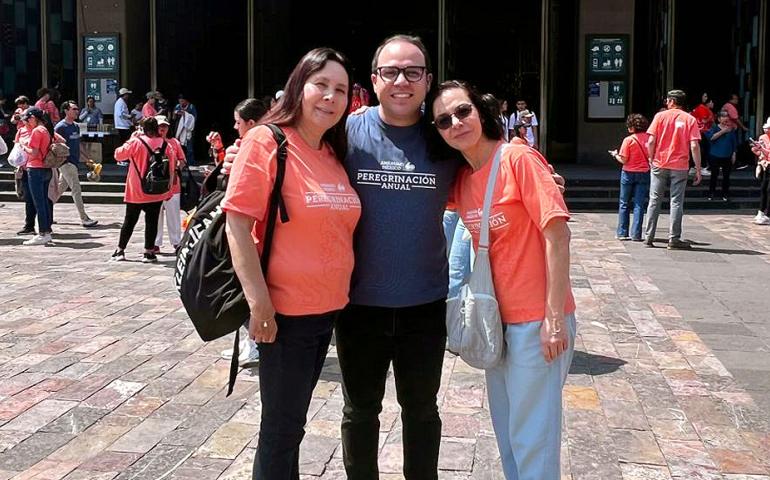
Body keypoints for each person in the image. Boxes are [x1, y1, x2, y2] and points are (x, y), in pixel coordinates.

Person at [222, 47, 361, 480]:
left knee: (291, 427)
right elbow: (237, 225)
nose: (330, 97)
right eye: (321, 85)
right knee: (281, 430)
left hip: (328, 311)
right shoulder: (268, 141)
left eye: (340, 89)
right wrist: (259, 305)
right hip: (285, 316)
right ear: (299, 87)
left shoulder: (333, 152)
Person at [431, 79, 576, 480]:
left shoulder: (517, 158)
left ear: (482, 111)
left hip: (536, 320)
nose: (456, 122)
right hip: (495, 322)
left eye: (463, 111)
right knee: (509, 431)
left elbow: (557, 234)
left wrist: (554, 317)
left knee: (533, 436)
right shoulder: (462, 180)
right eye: (444, 120)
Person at [218, 97, 270, 366]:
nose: (235, 127)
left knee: (247, 291)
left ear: (251, 123)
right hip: (245, 235)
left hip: (255, 239)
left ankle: (254, 342)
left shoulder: (270, 149)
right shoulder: (243, 149)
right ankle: (251, 342)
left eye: (238, 123)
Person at [110, 116, 179, 263]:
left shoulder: (136, 142)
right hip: (158, 189)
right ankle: (149, 252)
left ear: (142, 129)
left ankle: (120, 250)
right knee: (152, 221)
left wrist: (131, 138)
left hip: (137, 190)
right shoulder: (166, 144)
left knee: (129, 220)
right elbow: (172, 168)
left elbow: (118, 155)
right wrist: (169, 190)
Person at [644, 89, 702, 249]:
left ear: (672, 101)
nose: (666, 102)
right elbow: (694, 145)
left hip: (659, 162)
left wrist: (650, 158)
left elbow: (650, 141)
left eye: (668, 100)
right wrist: (698, 168)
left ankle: (649, 237)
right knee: (676, 201)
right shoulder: (690, 119)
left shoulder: (659, 116)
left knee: (654, 199)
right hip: (680, 165)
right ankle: (673, 239)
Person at [54, 101, 99, 227]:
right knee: (76, 189)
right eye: (74, 109)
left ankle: (45, 211)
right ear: (66, 111)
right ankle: (84, 218)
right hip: (65, 163)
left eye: (77, 109)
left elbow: (78, 144)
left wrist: (88, 158)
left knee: (59, 189)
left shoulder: (75, 126)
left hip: (74, 161)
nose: (76, 111)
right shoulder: (60, 127)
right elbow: (55, 146)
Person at [609, 113, 651, 241]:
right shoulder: (649, 138)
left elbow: (624, 160)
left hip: (628, 173)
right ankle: (636, 234)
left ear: (632, 127)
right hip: (644, 173)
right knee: (639, 204)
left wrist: (615, 154)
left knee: (624, 203)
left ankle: (622, 232)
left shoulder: (628, 140)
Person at [18, 107, 54, 246]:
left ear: (33, 118)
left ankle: (43, 233)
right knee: (44, 201)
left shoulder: (36, 131)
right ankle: (46, 231)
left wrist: (23, 145)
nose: (27, 122)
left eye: (27, 119)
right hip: (45, 168)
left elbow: (33, 153)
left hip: (35, 168)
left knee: (38, 202)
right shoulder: (45, 129)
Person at [153, 115, 185, 252]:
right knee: (155, 215)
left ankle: (176, 242)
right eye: (160, 126)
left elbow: (182, 159)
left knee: (173, 215)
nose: (162, 129)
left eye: (165, 126)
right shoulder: (150, 142)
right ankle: (155, 243)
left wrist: (178, 166)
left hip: (173, 184)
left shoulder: (174, 142)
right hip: (155, 185)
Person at [704, 110, 738, 201]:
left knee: (726, 176)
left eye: (727, 116)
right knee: (714, 175)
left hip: (727, 155)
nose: (726, 118)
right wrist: (723, 131)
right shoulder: (714, 127)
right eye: (723, 116)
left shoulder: (731, 129)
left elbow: (734, 142)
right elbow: (711, 137)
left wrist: (734, 153)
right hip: (715, 155)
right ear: (719, 119)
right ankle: (711, 193)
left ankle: (725, 194)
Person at [751, 117, 770, 225]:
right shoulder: (763, 137)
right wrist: (757, 149)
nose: (766, 130)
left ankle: (767, 214)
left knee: (769, 190)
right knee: (764, 188)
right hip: (765, 165)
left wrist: (762, 150)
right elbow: (759, 152)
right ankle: (761, 211)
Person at [174, 94, 198, 164]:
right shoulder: (177, 106)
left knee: (189, 146)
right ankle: (180, 161)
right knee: (178, 145)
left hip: (188, 129)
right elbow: (174, 117)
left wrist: (186, 115)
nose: (181, 103)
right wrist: (177, 113)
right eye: (180, 101)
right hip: (179, 129)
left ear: (186, 101)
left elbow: (194, 118)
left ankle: (190, 161)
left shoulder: (191, 107)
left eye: (182, 101)